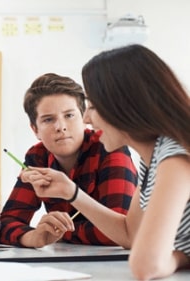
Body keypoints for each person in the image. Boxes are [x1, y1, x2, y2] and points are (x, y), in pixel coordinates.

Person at [24, 45, 190, 280]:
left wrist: (183, 255)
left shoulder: (174, 158)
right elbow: (129, 234)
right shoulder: (152, 158)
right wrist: (71, 193)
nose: (87, 119)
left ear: (122, 106)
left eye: (92, 106)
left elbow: (147, 265)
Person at [0, 73, 137, 248]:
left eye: (69, 115)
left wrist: (60, 233)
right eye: (48, 119)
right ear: (35, 130)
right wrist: (35, 237)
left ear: (85, 118)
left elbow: (119, 232)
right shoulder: (37, 156)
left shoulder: (109, 147)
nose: (61, 127)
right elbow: (6, 223)